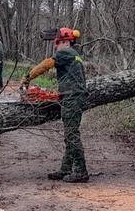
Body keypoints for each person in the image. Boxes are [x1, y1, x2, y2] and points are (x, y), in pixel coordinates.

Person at [22, 27, 88, 183]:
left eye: (57, 44)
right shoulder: (74, 55)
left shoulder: (65, 52)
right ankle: (65, 169)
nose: (55, 47)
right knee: (69, 135)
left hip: (72, 98)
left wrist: (28, 77)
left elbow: (46, 64)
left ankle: (81, 171)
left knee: (72, 135)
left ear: (65, 42)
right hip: (72, 96)